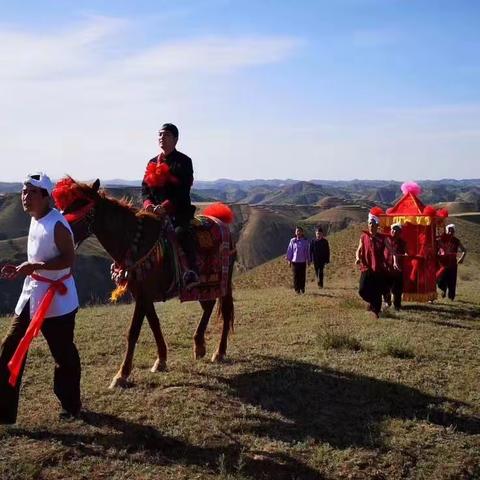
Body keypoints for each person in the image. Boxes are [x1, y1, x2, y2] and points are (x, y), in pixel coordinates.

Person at [0, 173, 81, 424]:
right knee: (10, 346)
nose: (25, 197)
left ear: (45, 197)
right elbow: (37, 260)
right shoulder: (36, 219)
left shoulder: (57, 224)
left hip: (56, 300)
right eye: (24, 192)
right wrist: (22, 269)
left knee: (63, 354)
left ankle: (71, 405)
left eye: (31, 192)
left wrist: (34, 266)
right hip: (32, 292)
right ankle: (3, 411)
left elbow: (69, 259)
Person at [141, 123, 199, 288]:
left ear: (175, 139)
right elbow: (145, 189)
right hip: (153, 212)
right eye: (159, 135)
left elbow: (182, 191)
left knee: (181, 233)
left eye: (166, 135)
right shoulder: (152, 162)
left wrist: (165, 207)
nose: (161, 138)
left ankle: (191, 271)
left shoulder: (184, 162)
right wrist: (148, 204)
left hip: (178, 212)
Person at [355, 213, 390, 318]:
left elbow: (389, 249)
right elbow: (359, 249)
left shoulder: (382, 238)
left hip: (378, 268)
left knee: (377, 290)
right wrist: (357, 258)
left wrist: (394, 258)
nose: (371, 225)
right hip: (366, 267)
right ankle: (372, 302)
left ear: (377, 226)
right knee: (362, 290)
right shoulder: (363, 237)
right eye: (370, 223)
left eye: (373, 224)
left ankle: (376, 311)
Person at [437, 224, 466, 300]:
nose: (450, 232)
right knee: (440, 280)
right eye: (449, 230)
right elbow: (436, 249)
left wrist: (461, 258)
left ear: (454, 232)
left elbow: (464, 250)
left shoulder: (456, 241)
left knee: (452, 280)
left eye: (452, 230)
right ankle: (443, 289)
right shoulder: (441, 240)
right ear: (446, 231)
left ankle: (451, 296)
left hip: (452, 264)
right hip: (442, 263)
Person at [384, 223, 407, 310]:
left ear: (400, 232)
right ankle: (387, 301)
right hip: (387, 267)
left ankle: (397, 305)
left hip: (398, 269)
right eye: (393, 229)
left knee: (397, 288)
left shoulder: (403, 243)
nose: (394, 231)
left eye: (397, 230)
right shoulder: (386, 240)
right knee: (386, 286)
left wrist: (406, 254)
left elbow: (406, 251)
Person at [286, 226, 310, 294]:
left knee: (302, 276)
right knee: (295, 276)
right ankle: (297, 289)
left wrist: (308, 259)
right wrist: (289, 260)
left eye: (300, 231)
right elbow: (290, 250)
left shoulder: (305, 241)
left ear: (302, 232)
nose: (298, 232)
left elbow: (307, 251)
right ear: (295, 232)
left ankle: (302, 288)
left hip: (302, 261)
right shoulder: (292, 241)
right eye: (297, 231)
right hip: (294, 262)